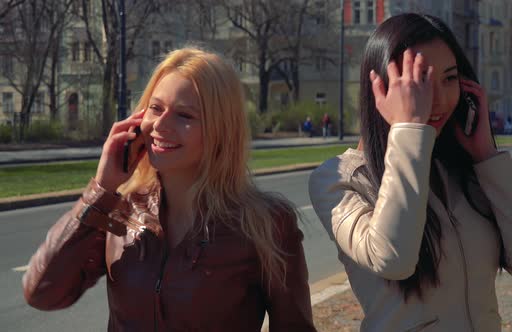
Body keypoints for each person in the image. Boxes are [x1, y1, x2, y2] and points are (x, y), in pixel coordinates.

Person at [23, 48, 316, 332]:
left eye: (184, 115)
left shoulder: (265, 223)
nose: (160, 125)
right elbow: (42, 294)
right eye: (155, 108)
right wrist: (101, 188)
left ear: (220, 130)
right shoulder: (121, 211)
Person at [308, 14, 512, 332]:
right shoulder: (338, 178)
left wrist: (487, 158)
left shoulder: (464, 171)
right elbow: (392, 259)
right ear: (381, 88)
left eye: (450, 78)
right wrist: (409, 129)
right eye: (421, 81)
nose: (439, 100)